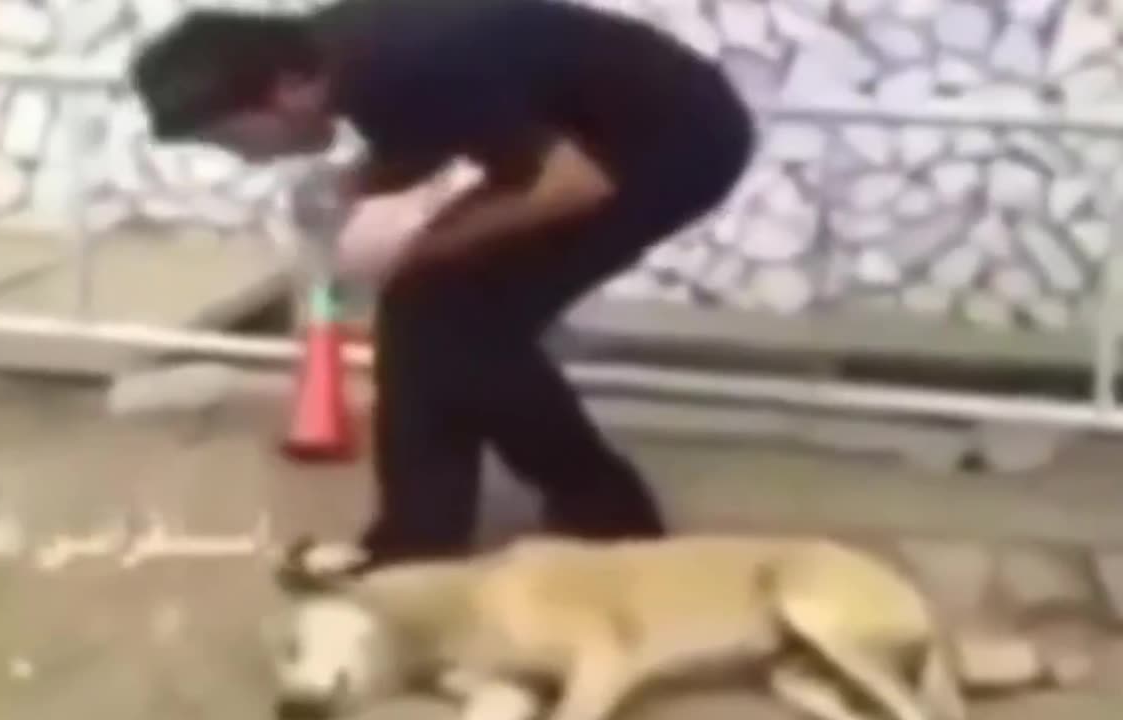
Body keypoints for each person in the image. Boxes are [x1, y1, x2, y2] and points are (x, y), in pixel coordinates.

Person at [129, 0, 756, 567]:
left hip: (674, 143)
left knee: (469, 322)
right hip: (589, 135)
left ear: (287, 89)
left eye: (232, 138)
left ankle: (612, 522)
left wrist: (423, 248)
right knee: (427, 309)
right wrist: (355, 189)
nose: (245, 158)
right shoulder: (337, 56)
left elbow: (572, 186)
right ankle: (420, 538)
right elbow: (431, 134)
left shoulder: (401, 66)